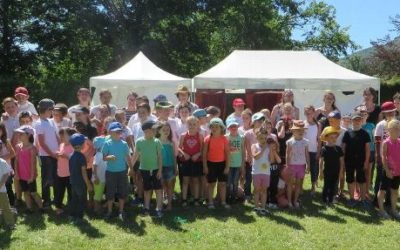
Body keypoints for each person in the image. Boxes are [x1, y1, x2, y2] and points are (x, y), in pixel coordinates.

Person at [132, 120, 163, 218]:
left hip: (155, 169)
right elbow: (136, 155)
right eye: (154, 129)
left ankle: (159, 208)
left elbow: (159, 157)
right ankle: (146, 207)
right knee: (147, 189)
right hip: (144, 169)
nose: (155, 131)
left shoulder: (157, 141)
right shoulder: (139, 141)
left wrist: (160, 170)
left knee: (158, 189)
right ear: (147, 130)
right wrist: (131, 167)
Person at [102, 122, 132, 221]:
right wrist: (109, 157)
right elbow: (104, 158)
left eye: (119, 132)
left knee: (122, 191)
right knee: (110, 192)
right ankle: (110, 211)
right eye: (116, 132)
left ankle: (121, 211)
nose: (118, 133)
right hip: (110, 172)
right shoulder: (107, 143)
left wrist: (131, 168)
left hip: (122, 172)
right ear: (110, 132)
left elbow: (128, 157)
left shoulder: (124, 144)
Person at [34, 98, 60, 208]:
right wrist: (52, 154)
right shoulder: (39, 123)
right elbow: (41, 143)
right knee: (46, 178)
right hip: (46, 156)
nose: (53, 112)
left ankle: (56, 199)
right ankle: (46, 200)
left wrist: (59, 149)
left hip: (55, 154)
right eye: (51, 109)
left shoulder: (51, 121)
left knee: (55, 177)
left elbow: (57, 136)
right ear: (46, 109)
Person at [342, 111, 371, 208]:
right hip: (349, 161)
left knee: (361, 180)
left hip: (361, 161)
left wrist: (366, 161)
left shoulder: (365, 133)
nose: (357, 121)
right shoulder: (347, 133)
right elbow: (344, 148)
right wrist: (342, 161)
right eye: (355, 119)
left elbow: (367, 149)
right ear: (351, 121)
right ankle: (351, 199)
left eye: (359, 119)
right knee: (350, 179)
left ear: (362, 120)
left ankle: (362, 200)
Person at [14, 125, 43, 212]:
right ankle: (29, 208)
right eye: (19, 134)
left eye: (21, 134)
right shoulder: (18, 147)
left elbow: (33, 163)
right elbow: (16, 161)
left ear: (29, 135)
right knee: (25, 192)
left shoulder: (32, 148)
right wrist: (16, 173)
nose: (19, 135)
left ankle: (41, 207)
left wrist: (31, 176)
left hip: (30, 176)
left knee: (33, 193)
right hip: (21, 175)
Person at [203, 118, 230, 209]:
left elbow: (227, 153)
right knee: (211, 184)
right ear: (210, 128)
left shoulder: (224, 139)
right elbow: (204, 154)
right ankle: (210, 202)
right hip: (211, 164)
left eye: (217, 127)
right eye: (212, 127)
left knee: (222, 184)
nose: (214, 128)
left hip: (222, 164)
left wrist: (227, 167)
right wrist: (205, 166)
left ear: (221, 128)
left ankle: (223, 202)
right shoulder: (207, 139)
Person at [178, 116, 203, 207]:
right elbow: (179, 148)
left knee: (196, 180)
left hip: (196, 161)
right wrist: (184, 154)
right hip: (186, 161)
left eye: (194, 124)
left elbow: (203, 149)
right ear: (186, 125)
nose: (192, 126)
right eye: (190, 124)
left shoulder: (200, 136)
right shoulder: (183, 135)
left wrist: (198, 154)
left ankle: (196, 199)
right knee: (185, 180)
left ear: (197, 125)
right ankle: (184, 199)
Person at [377, 119, 400, 219]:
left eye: (399, 129)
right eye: (395, 129)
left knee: (395, 191)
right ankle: (381, 211)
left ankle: (393, 210)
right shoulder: (386, 142)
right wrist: (387, 170)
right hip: (388, 171)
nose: (397, 132)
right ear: (389, 130)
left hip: (397, 172)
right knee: (382, 191)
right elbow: (383, 157)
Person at [374, 101, 396, 201]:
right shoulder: (380, 125)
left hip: (395, 158)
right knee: (380, 178)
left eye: (392, 112)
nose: (391, 114)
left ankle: (388, 201)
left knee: (392, 179)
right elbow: (378, 142)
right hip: (383, 157)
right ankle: (377, 199)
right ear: (384, 114)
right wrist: (378, 156)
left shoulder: (397, 124)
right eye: (388, 112)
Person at [69, 133, 93, 224]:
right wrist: (88, 184)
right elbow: (83, 172)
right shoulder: (82, 157)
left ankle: (72, 216)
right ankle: (79, 218)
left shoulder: (71, 155)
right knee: (82, 200)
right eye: (84, 142)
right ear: (81, 145)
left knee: (74, 199)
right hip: (81, 183)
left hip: (73, 182)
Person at [286, 120, 309, 209]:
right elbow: (287, 154)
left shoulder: (306, 141)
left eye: (302, 130)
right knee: (290, 184)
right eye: (298, 130)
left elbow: (307, 154)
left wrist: (308, 165)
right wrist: (288, 166)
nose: (301, 132)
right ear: (293, 131)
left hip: (301, 165)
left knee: (298, 184)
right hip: (292, 165)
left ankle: (295, 201)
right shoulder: (290, 142)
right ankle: (289, 202)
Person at [319, 127, 344, 206]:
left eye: (335, 137)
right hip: (327, 171)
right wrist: (320, 172)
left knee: (333, 186)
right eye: (331, 137)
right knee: (326, 185)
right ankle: (324, 199)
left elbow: (342, 162)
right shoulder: (324, 149)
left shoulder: (339, 149)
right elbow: (321, 161)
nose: (333, 139)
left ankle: (330, 200)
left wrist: (340, 172)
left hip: (336, 172)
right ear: (326, 138)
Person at [155, 121, 177, 211]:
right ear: (158, 131)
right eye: (164, 130)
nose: (166, 131)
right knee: (161, 185)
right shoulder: (156, 142)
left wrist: (176, 167)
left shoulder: (171, 143)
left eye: (168, 130)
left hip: (170, 167)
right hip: (159, 167)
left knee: (170, 186)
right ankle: (161, 203)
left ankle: (169, 205)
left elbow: (174, 157)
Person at [243, 112, 265, 201]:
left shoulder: (264, 132)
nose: (260, 122)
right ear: (254, 122)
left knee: (260, 178)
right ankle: (247, 194)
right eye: (258, 120)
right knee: (248, 178)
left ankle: (259, 194)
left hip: (262, 159)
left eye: (262, 120)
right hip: (251, 159)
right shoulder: (248, 133)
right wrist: (250, 158)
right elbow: (247, 147)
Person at [54, 128, 75, 215]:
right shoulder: (61, 144)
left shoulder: (73, 146)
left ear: (71, 137)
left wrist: (65, 156)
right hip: (60, 173)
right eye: (61, 135)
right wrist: (58, 154)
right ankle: (58, 207)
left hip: (70, 174)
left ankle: (71, 208)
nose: (61, 137)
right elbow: (60, 156)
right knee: (59, 191)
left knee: (71, 192)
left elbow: (74, 158)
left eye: (64, 135)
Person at [251, 130, 271, 215]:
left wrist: (271, 151)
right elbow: (255, 157)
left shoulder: (268, 147)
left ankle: (263, 207)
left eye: (265, 138)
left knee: (264, 190)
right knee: (256, 190)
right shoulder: (254, 146)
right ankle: (256, 207)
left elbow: (271, 160)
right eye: (261, 138)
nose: (264, 140)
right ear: (257, 138)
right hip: (256, 172)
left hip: (266, 172)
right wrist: (263, 149)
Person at [226, 119, 245, 203]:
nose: (234, 128)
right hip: (229, 164)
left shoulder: (241, 137)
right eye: (231, 127)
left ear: (238, 127)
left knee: (235, 182)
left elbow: (243, 152)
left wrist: (242, 164)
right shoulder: (226, 137)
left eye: (235, 126)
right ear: (228, 128)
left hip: (238, 164)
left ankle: (234, 197)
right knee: (228, 182)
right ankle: (227, 197)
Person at [303, 105, 320, 195]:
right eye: (307, 113)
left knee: (314, 169)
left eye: (310, 112)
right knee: (302, 168)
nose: (309, 114)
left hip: (313, 150)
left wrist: (318, 151)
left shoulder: (318, 124)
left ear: (314, 113)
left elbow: (319, 139)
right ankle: (300, 186)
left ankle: (313, 186)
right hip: (303, 150)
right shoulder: (303, 123)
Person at [0, 123, 16, 206]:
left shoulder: (6, 141)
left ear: (3, 131)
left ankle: (12, 204)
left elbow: (13, 153)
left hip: (6, 168)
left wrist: (2, 157)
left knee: (8, 186)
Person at [92, 135, 107, 214]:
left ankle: (99, 208)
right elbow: (94, 166)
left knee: (100, 194)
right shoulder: (99, 155)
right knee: (97, 196)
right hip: (98, 179)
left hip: (102, 178)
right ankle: (96, 209)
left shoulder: (102, 154)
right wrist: (96, 177)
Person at [0, 158, 15, 230]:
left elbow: (6, 175)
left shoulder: (2, 162)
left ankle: (11, 223)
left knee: (5, 207)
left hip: (1, 191)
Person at [267, 137, 281, 209]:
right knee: (267, 188)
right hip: (268, 174)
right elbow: (271, 161)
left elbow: (279, 161)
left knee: (274, 188)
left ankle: (273, 202)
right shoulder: (266, 153)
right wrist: (271, 152)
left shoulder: (276, 152)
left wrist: (274, 152)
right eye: (271, 146)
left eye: (274, 146)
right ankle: (267, 202)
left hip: (275, 174)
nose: (273, 147)